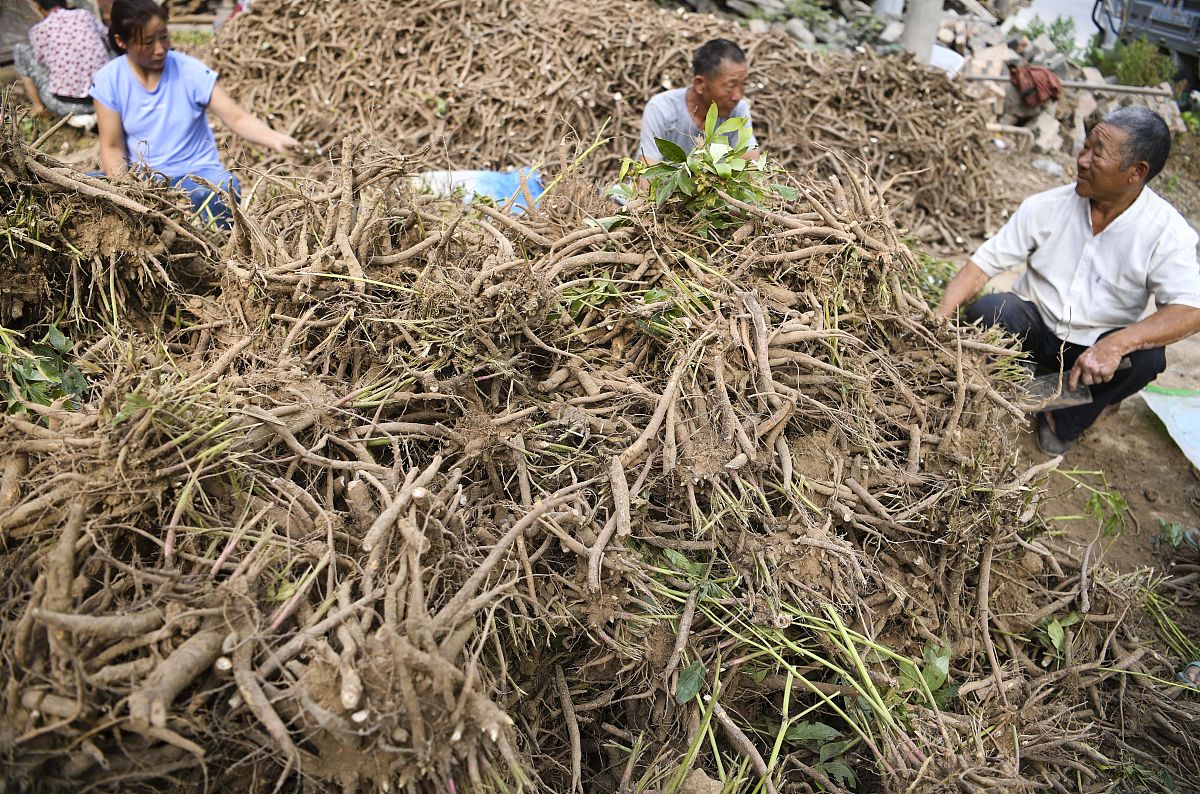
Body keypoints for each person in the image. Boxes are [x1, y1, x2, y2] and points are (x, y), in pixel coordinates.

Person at [935, 106, 1200, 455]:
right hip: (1036, 325)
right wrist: (936, 321)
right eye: (1085, 146)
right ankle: (1025, 383)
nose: (1082, 160)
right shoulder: (1045, 207)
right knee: (991, 309)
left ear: (1136, 172)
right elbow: (981, 265)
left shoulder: (1167, 233)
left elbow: (1190, 309)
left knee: (1148, 360)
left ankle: (1065, 419)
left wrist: (1118, 344)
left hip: (1094, 349)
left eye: (1098, 153)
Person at [90, 0, 299, 228]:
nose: (160, 49)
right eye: (148, 42)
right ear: (121, 42)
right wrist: (125, 191)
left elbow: (236, 117)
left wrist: (276, 139)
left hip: (196, 176)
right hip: (144, 181)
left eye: (164, 37)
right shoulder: (109, 80)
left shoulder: (189, 71)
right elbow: (111, 147)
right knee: (86, 187)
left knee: (220, 188)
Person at [638, 38, 761, 164]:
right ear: (700, 84)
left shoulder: (738, 110)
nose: (737, 96)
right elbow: (648, 171)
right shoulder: (661, 109)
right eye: (730, 86)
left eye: (743, 84)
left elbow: (750, 158)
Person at [13, 0, 111, 127]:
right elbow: (109, 41)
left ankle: (38, 106)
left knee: (21, 49)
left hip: (66, 105)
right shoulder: (84, 15)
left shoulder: (37, 31)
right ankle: (98, 115)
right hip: (106, 99)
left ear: (39, 8)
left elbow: (42, 62)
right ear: (65, 4)